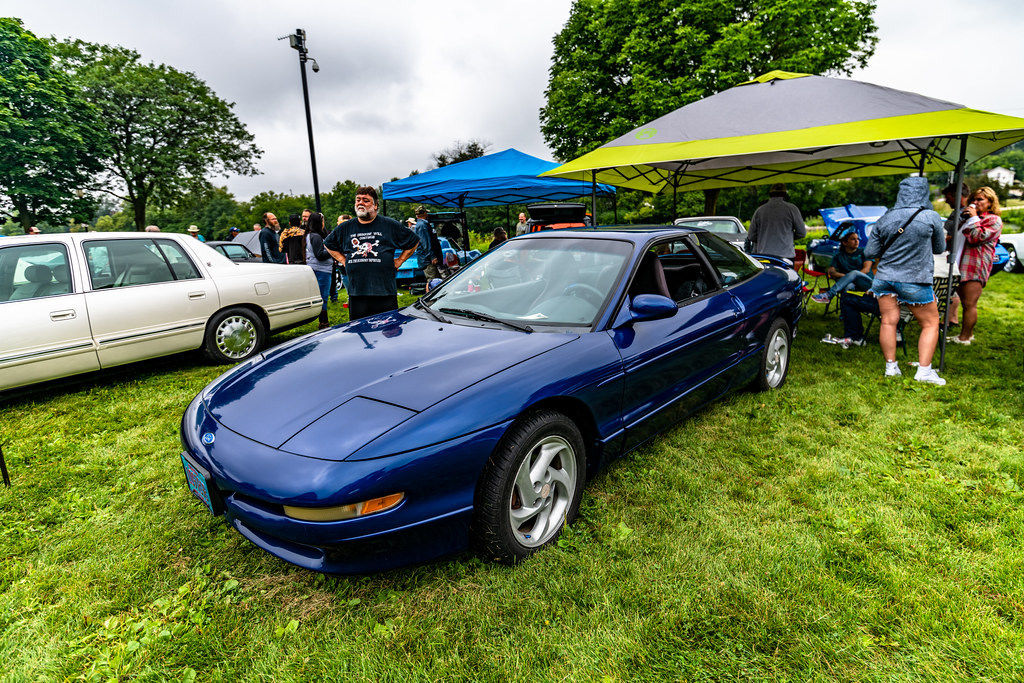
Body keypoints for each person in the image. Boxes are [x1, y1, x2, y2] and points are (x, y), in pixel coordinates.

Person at [863, 176, 946, 385]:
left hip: (884, 278)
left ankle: (891, 368)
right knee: (930, 323)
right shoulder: (930, 216)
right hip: (915, 279)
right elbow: (939, 248)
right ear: (924, 193)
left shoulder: (885, 218)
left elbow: (870, 252)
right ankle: (924, 372)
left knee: (888, 322)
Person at [323, 186, 419, 320]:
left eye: (366, 200)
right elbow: (328, 244)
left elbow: (413, 241)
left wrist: (400, 260)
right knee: (360, 329)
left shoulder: (389, 225)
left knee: (387, 329)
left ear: (375, 205)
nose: (360, 203)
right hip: (357, 293)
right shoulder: (346, 227)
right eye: (358, 200)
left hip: (384, 292)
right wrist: (344, 261)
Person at [949, 186, 1002, 346]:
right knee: (964, 301)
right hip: (960, 265)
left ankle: (965, 338)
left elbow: (977, 237)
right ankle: (966, 334)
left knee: (969, 303)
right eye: (973, 199)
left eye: (980, 199)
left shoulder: (993, 220)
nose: (975, 202)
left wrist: (973, 219)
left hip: (974, 267)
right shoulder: (970, 219)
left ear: (990, 203)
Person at [744, 183, 806, 261]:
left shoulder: (760, 211)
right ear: (785, 194)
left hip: (764, 255)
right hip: (786, 255)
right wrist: (787, 237)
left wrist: (764, 238)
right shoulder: (792, 209)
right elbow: (802, 233)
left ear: (770, 194)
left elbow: (751, 235)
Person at [810, 228, 874, 304]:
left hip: (867, 282)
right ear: (845, 242)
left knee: (854, 273)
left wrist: (851, 276)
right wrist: (848, 277)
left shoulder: (864, 251)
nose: (856, 241)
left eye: (857, 239)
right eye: (853, 239)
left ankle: (829, 294)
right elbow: (832, 272)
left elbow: (866, 269)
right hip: (850, 282)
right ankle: (847, 310)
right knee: (848, 287)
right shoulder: (838, 256)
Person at [941, 182, 970, 325]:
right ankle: (952, 318)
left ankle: (949, 319)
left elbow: (963, 233)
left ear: (958, 196)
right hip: (950, 251)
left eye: (949, 198)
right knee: (953, 286)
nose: (947, 201)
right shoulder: (957, 211)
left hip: (956, 254)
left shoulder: (967, 213)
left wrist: (947, 238)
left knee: (952, 286)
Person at [304, 212, 333, 329]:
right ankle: (323, 323)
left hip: (319, 268)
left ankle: (323, 322)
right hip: (321, 270)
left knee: (321, 296)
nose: (323, 223)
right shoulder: (315, 236)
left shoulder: (311, 234)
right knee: (323, 297)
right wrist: (332, 250)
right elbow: (320, 255)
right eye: (322, 220)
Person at [412, 206, 440, 282]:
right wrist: (432, 256)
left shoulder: (421, 224)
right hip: (427, 260)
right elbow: (426, 243)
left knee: (434, 279)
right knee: (433, 281)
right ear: (424, 213)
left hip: (426, 258)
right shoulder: (422, 226)